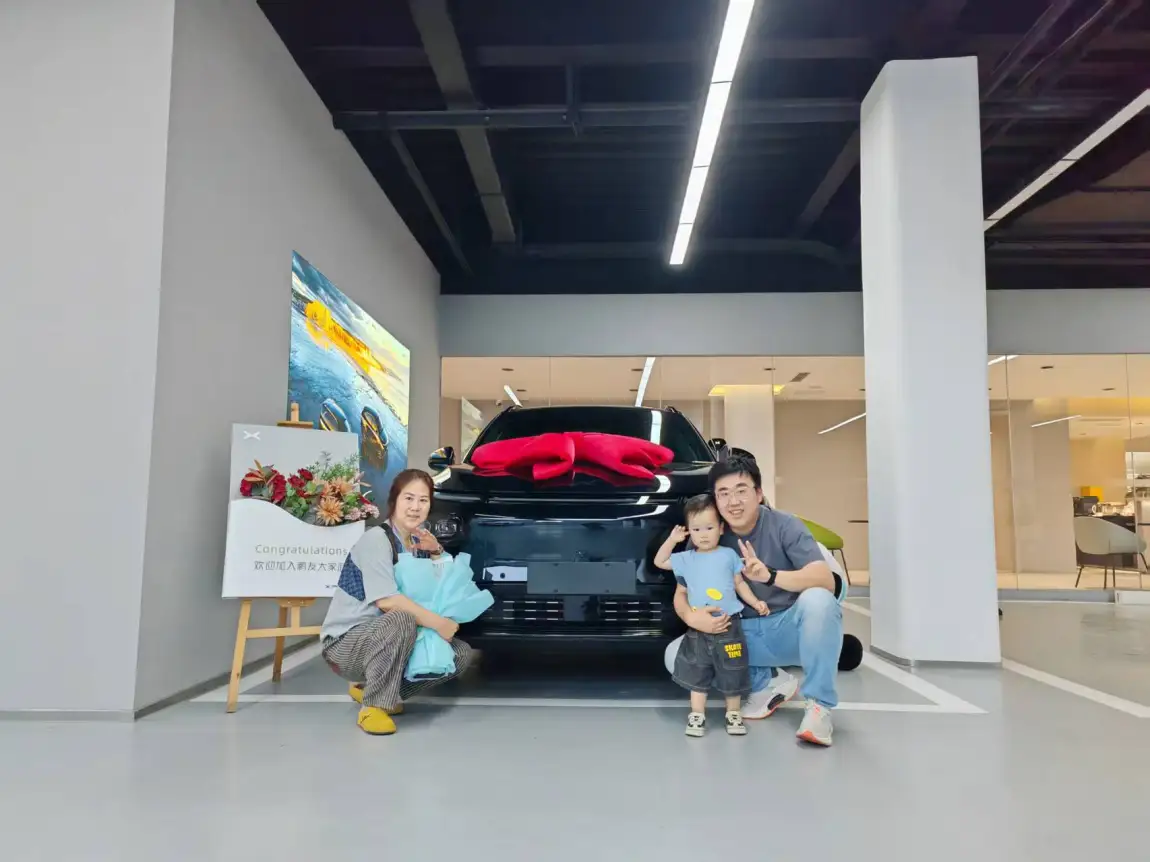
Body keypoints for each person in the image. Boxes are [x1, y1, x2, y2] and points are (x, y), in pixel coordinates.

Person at [675, 454, 844, 747]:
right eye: (723, 493)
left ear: (759, 493)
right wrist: (691, 617)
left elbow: (825, 579)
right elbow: (680, 593)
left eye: (741, 490)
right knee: (674, 655)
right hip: (737, 633)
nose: (733, 501)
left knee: (819, 601)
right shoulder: (707, 533)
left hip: (787, 630)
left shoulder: (785, 525)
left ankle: (819, 708)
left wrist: (770, 576)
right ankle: (767, 682)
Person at [320, 468, 474, 736]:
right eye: (409, 498)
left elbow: (443, 591)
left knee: (459, 654)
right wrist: (439, 624)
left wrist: (436, 551)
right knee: (401, 618)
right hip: (346, 644)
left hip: (397, 637)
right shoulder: (376, 539)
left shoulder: (418, 542)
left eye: (423, 500)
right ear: (394, 500)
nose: (415, 507)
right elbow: (388, 601)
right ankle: (373, 707)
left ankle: (374, 690)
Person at [654, 494, 769, 738]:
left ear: (721, 528)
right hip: (699, 627)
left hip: (729, 625)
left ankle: (733, 713)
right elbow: (659, 561)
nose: (703, 534)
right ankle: (697, 714)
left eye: (709, 527)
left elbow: (740, 584)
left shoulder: (729, 555)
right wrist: (672, 540)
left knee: (733, 670)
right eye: (696, 529)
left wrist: (756, 602)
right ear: (689, 531)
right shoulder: (686, 559)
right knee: (697, 670)